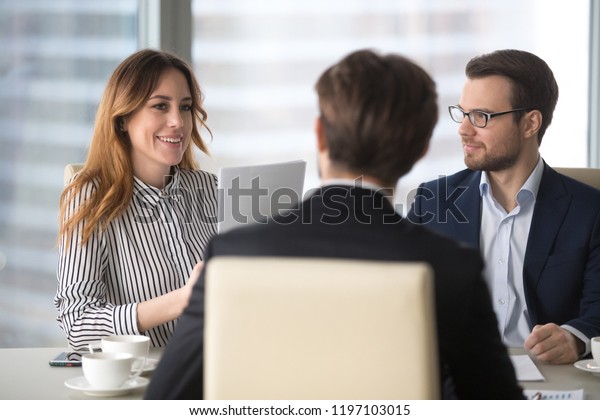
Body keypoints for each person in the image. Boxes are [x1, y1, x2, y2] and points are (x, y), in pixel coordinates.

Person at [145, 49, 523, 399]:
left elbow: (166, 397)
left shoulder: (234, 254)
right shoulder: (451, 266)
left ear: (320, 134)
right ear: (421, 149)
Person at [407, 49, 600, 365]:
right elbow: (404, 296)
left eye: (481, 116)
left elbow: (598, 308)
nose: (464, 130)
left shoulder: (590, 211)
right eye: (463, 113)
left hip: (550, 377)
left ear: (529, 124)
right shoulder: (433, 201)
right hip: (457, 374)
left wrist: (574, 337)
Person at [55, 49, 218, 350]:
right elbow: (77, 323)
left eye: (184, 107)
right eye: (160, 106)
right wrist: (181, 300)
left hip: (220, 369)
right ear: (122, 120)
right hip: (149, 383)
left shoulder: (210, 189)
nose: (178, 122)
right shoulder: (89, 197)